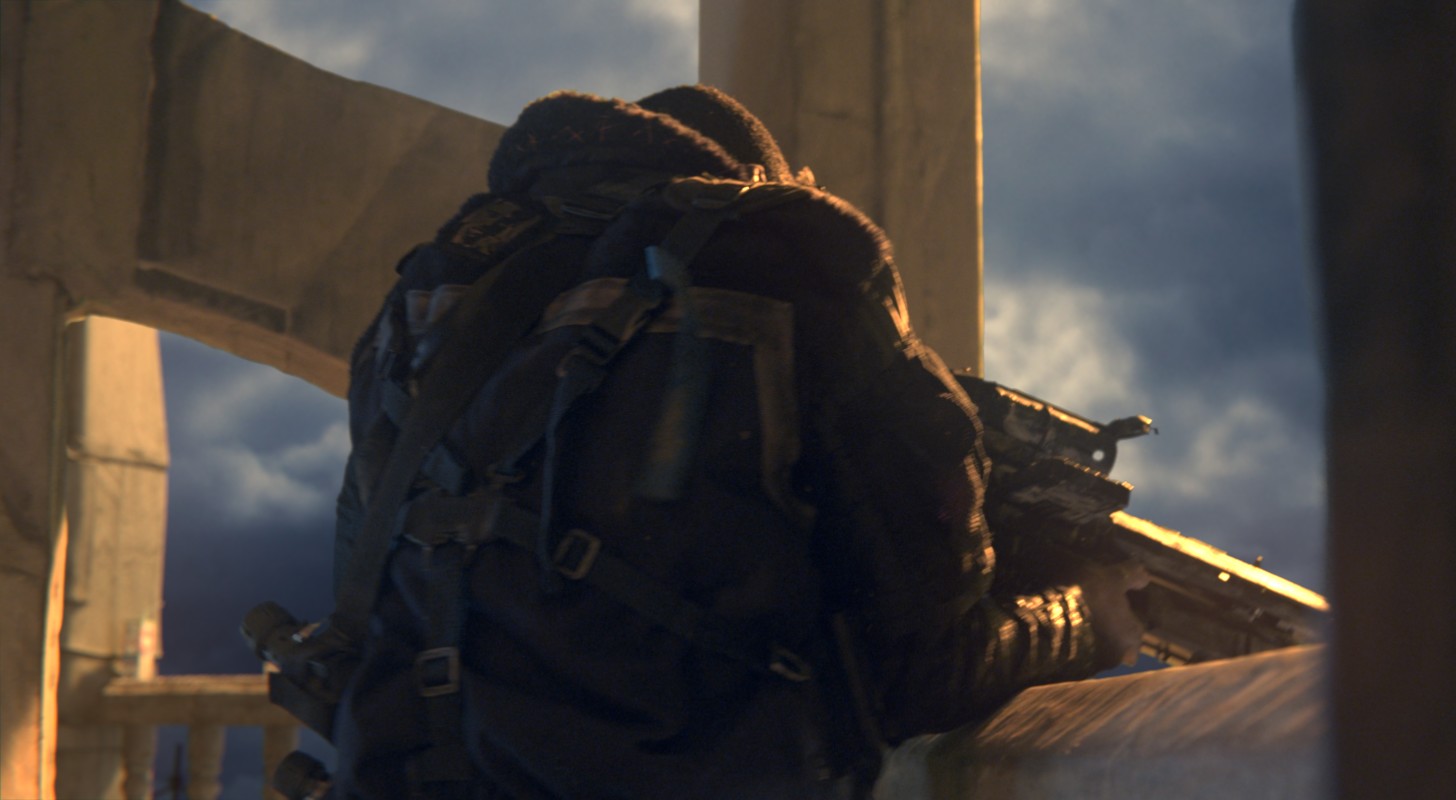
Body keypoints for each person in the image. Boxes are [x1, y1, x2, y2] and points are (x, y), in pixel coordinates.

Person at [322, 85, 1146, 799]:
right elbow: (920, 676)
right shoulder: (792, 261)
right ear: (757, 179)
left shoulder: (430, 302)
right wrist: (1084, 616)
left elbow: (368, 605)